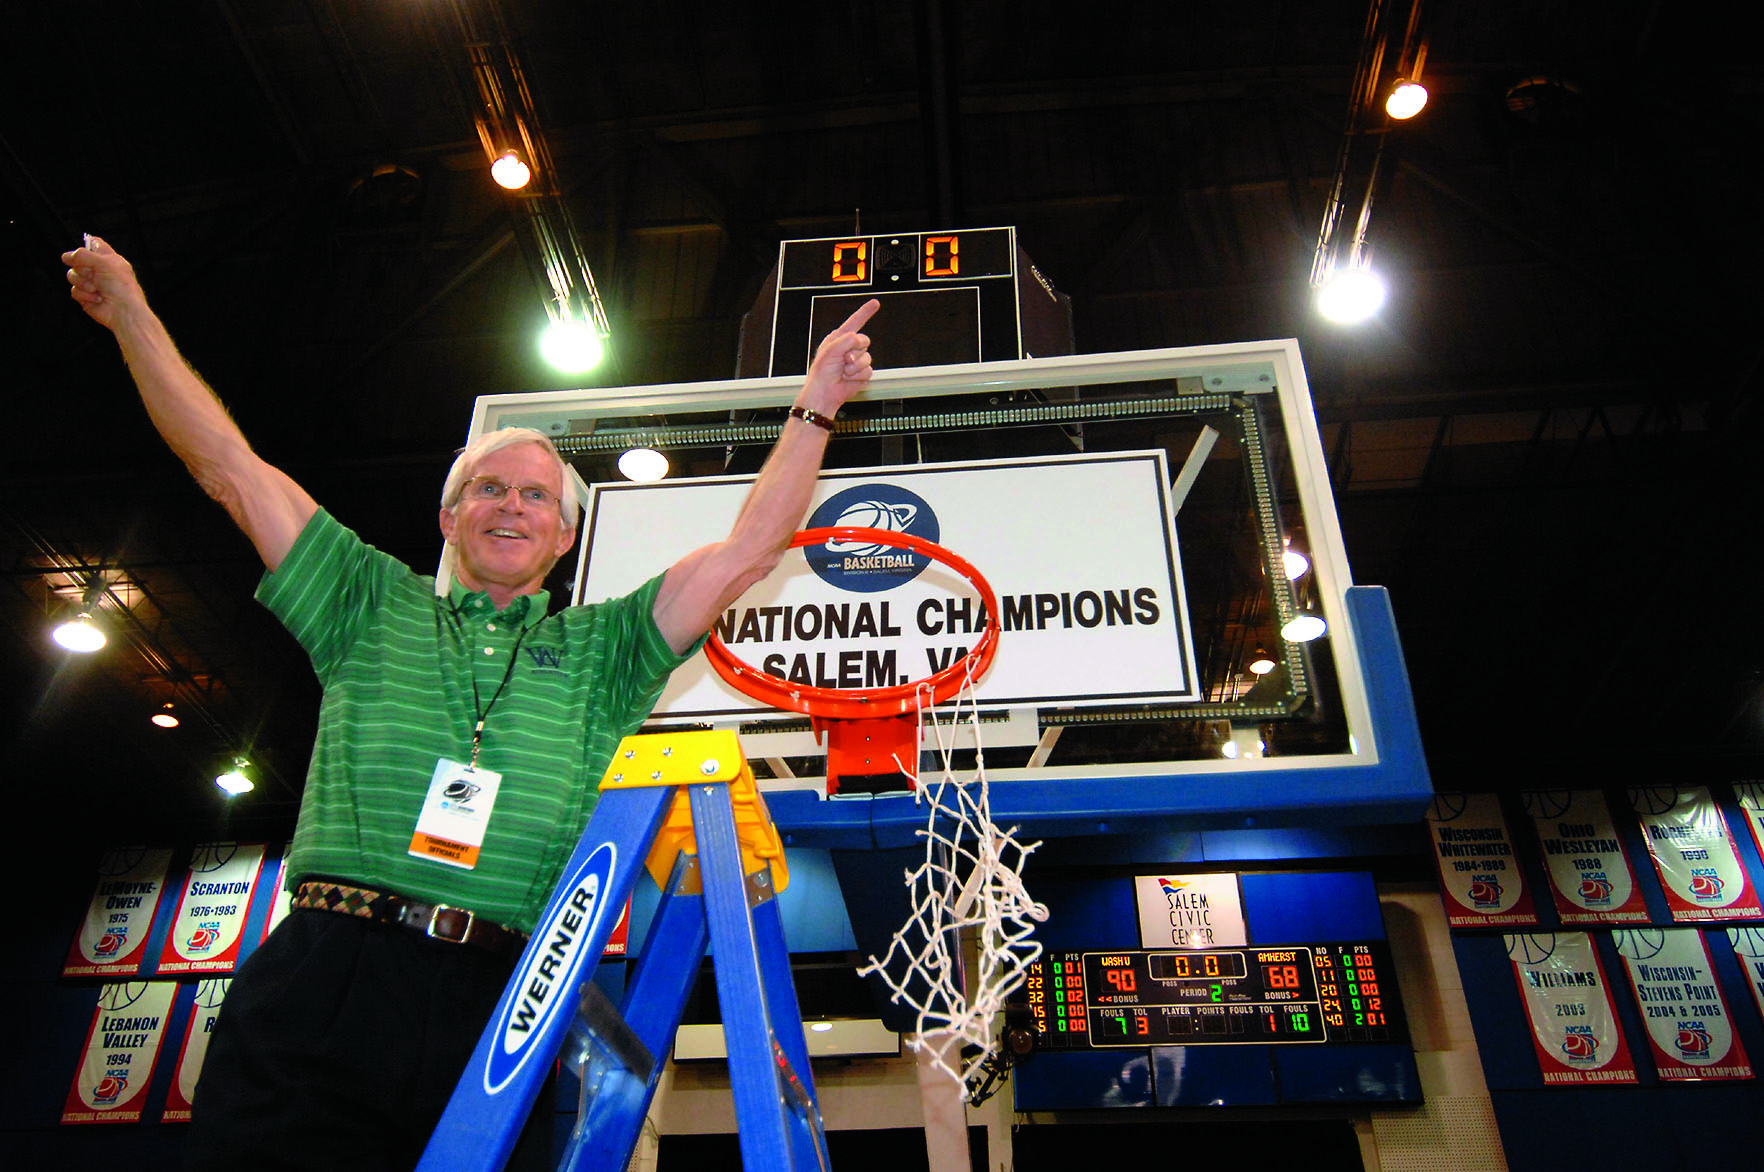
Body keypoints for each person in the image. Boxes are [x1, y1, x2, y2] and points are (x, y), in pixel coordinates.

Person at [62, 235, 877, 1171]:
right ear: (449, 518)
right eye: (487, 488)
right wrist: (131, 312)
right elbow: (228, 466)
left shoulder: (605, 648)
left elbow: (747, 552)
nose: (510, 506)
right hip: (331, 970)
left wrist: (816, 406)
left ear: (565, 536)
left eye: (536, 496)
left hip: (506, 998)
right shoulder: (365, 598)